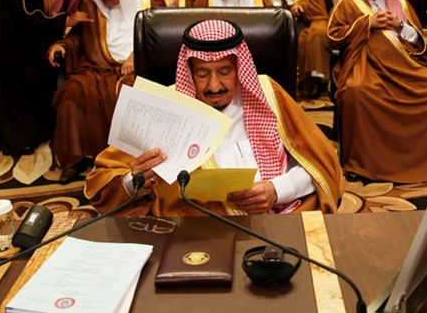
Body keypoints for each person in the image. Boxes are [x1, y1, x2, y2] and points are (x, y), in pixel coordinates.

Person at [85, 19, 344, 216]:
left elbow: (322, 164)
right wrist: (136, 181)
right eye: (202, 74)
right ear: (189, 71)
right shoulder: (164, 107)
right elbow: (103, 183)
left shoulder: (268, 94)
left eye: (224, 72)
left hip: (282, 218)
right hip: (201, 228)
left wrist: (276, 190)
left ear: (240, 67)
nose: (214, 86)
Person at [328, 0, 427, 183]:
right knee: (358, 92)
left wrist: (398, 25)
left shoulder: (401, 2)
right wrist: (368, 23)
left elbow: (417, 40)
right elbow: (333, 38)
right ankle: (364, 162)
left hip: (404, 65)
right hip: (366, 65)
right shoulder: (349, 3)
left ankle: (424, 158)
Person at [0, 0, 94, 158]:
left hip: (38, 33)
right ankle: (18, 137)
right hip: (8, 34)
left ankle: (41, 129)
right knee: (14, 84)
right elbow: (24, 15)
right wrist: (66, 20)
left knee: (40, 77)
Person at [47, 0, 143, 184]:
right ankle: (75, 160)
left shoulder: (143, 7)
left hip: (131, 70)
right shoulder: (91, 7)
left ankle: (121, 160)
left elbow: (154, 41)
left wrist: (135, 57)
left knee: (124, 95)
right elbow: (78, 37)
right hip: (95, 68)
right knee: (71, 93)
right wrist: (62, 45)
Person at [290, 0, 352, 98]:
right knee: (316, 33)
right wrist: (299, 6)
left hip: (349, 21)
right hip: (322, 18)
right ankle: (317, 80)